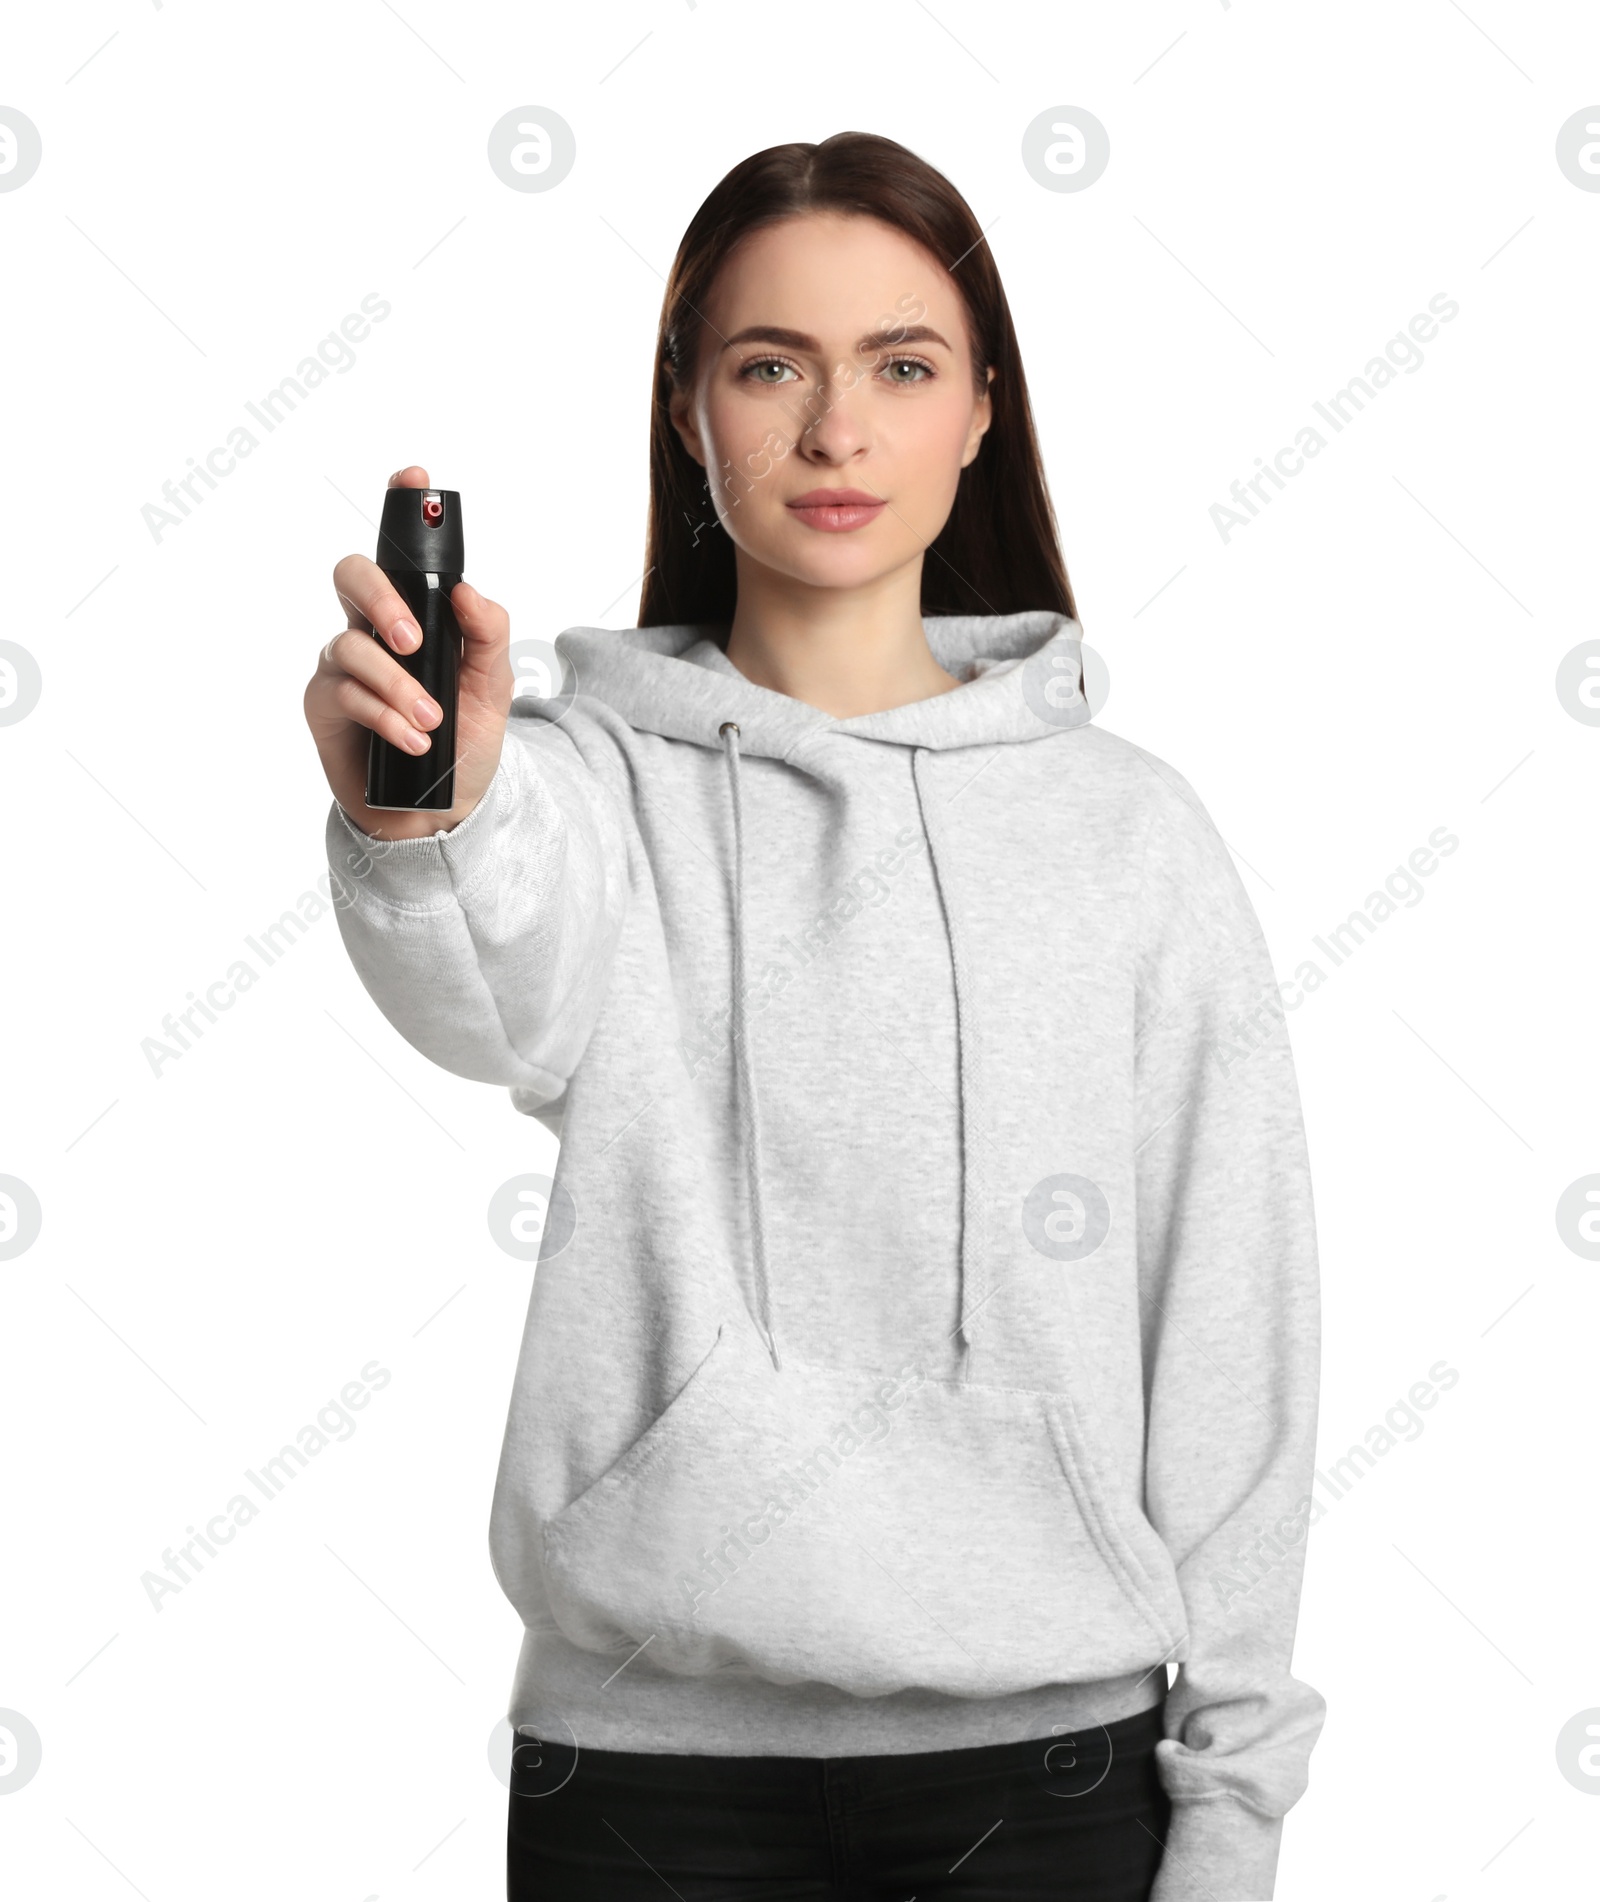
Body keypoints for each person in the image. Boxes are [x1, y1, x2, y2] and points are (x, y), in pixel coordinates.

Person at [305, 131, 1325, 1902]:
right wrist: (425, 817)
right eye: (771, 365)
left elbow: (1232, 1317)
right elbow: (488, 986)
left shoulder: (1130, 833)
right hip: (647, 1780)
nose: (837, 431)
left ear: (981, 408)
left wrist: (1230, 1805)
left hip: (1057, 1776)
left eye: (901, 366)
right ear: (688, 408)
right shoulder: (580, 788)